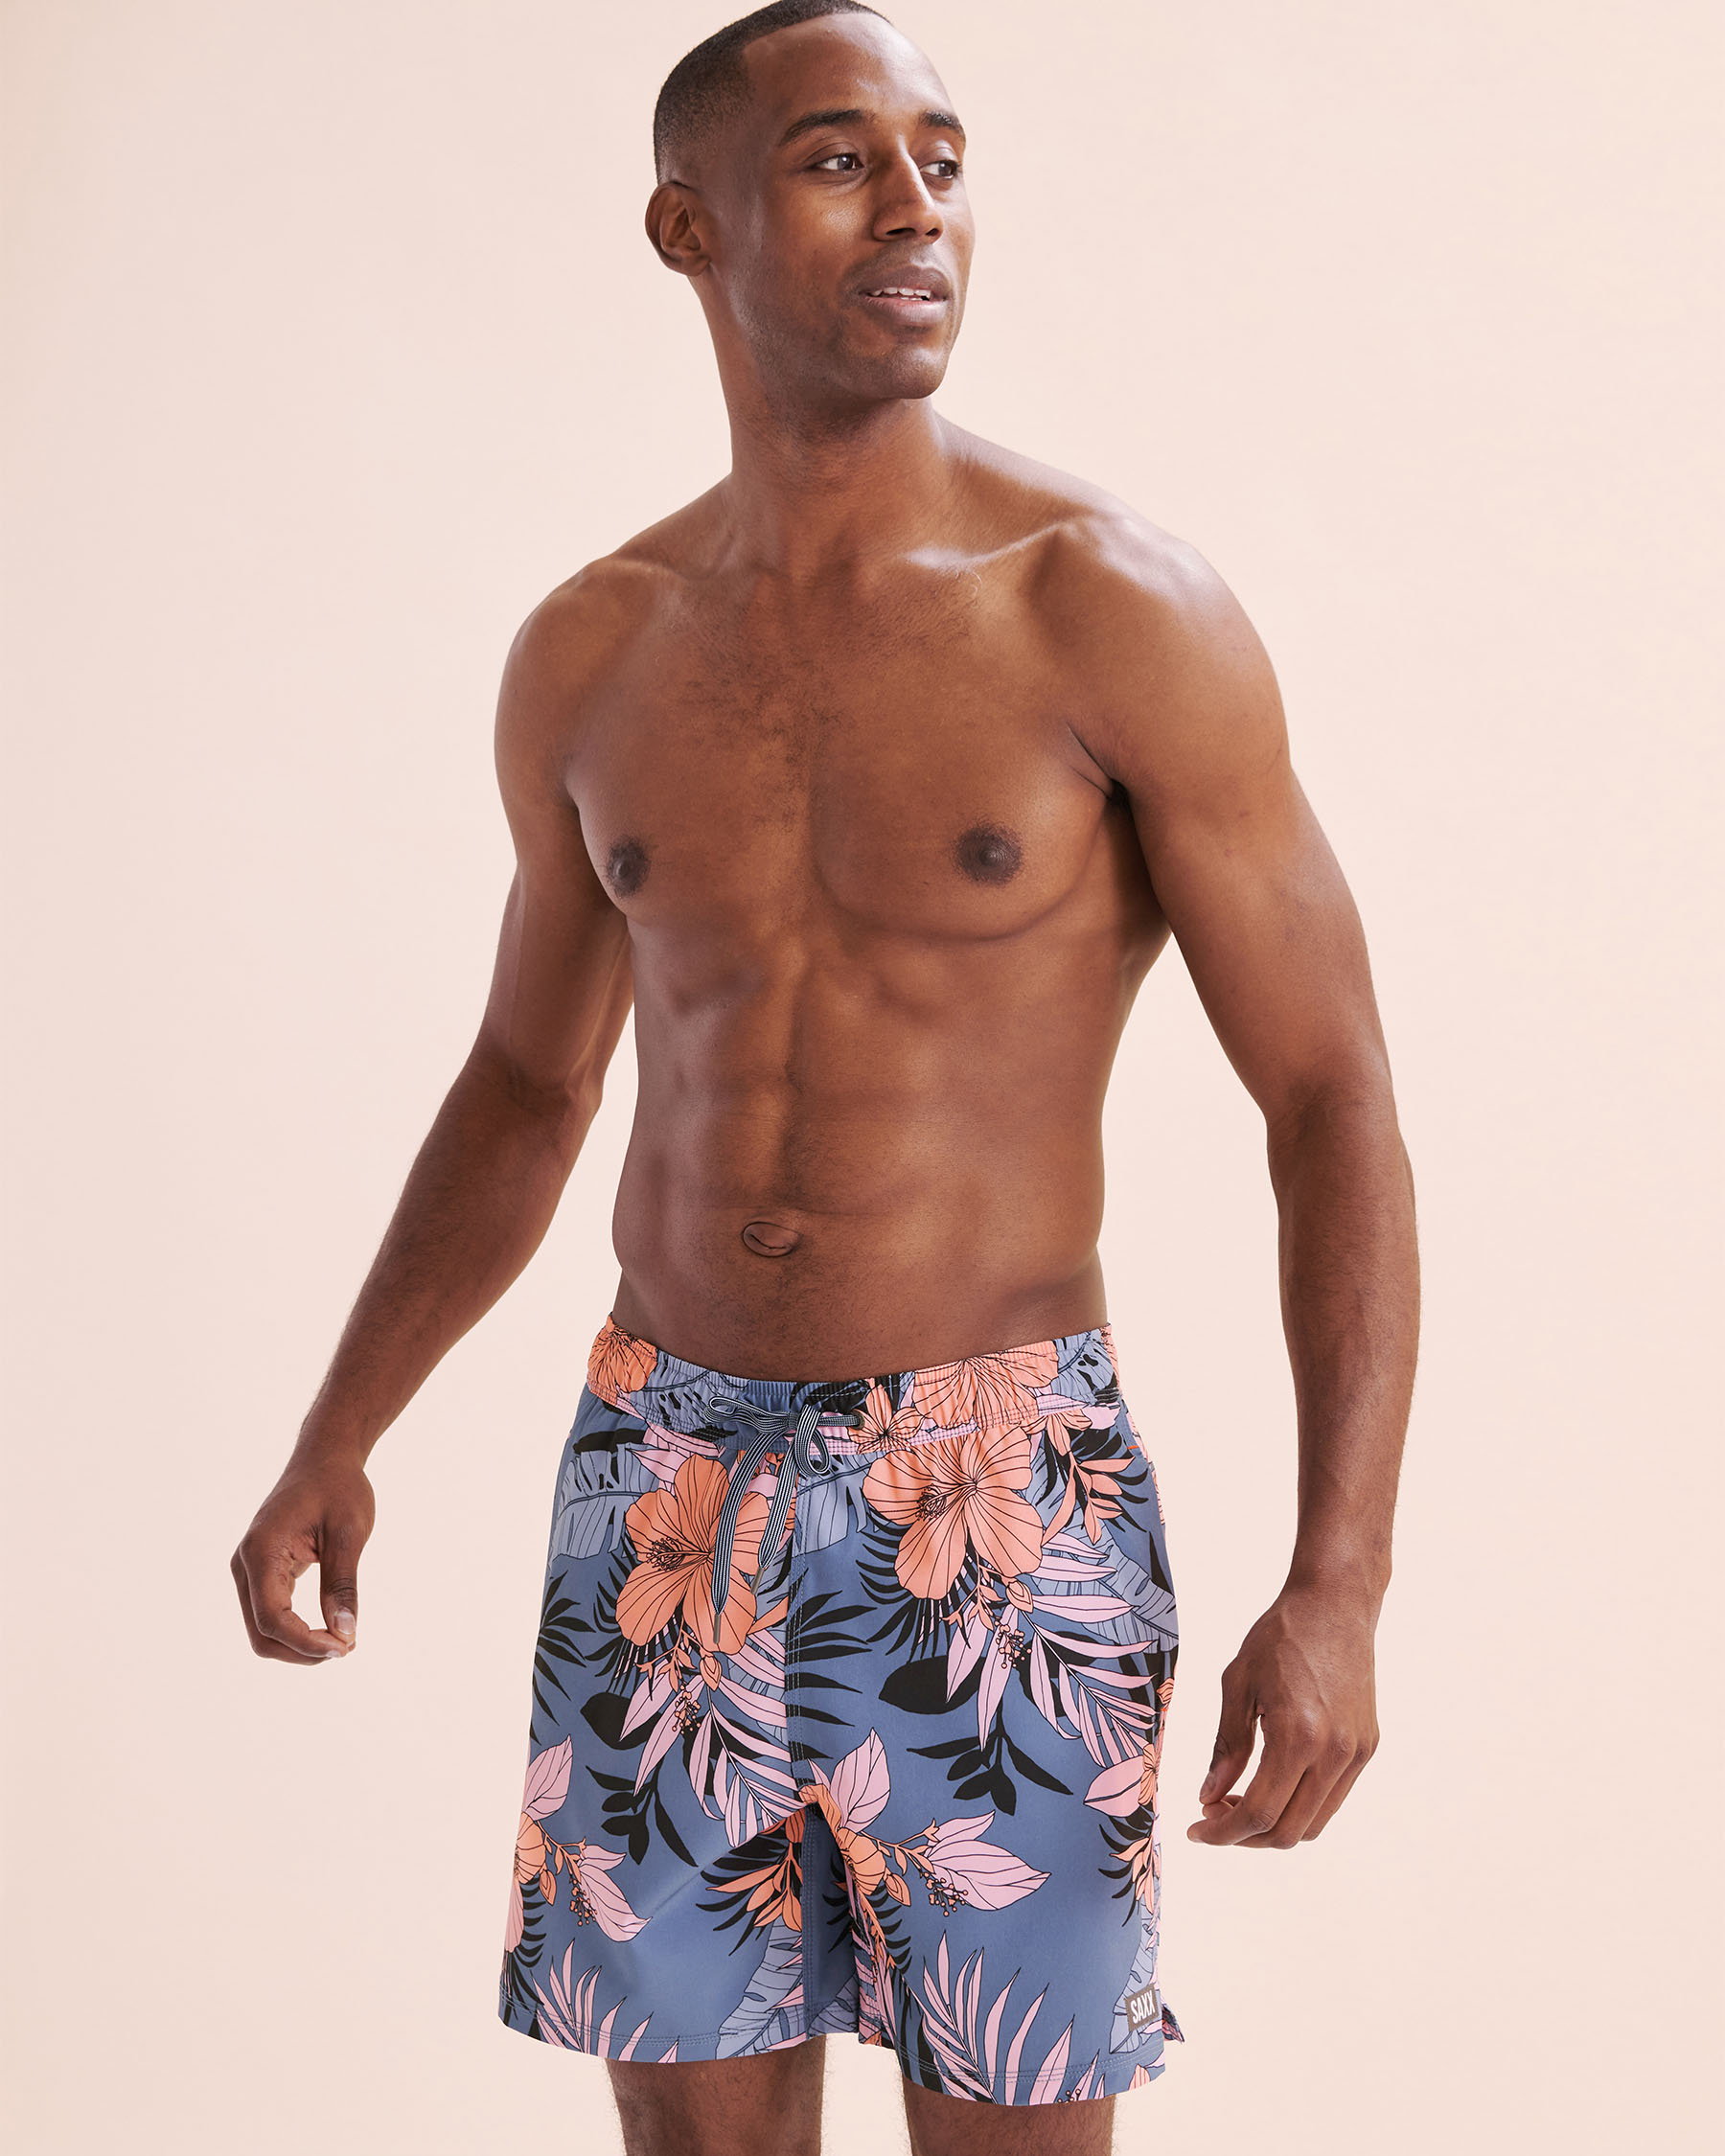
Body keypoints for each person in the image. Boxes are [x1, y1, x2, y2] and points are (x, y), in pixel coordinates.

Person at [231, 3, 1419, 2149]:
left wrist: (1340, 1580)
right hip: (659, 1478)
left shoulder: (1107, 611)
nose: (917, 211)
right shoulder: (593, 651)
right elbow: (525, 1082)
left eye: (944, 160)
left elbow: (1330, 1093)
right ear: (688, 224)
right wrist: (341, 1427)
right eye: (841, 159)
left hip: (995, 1495)